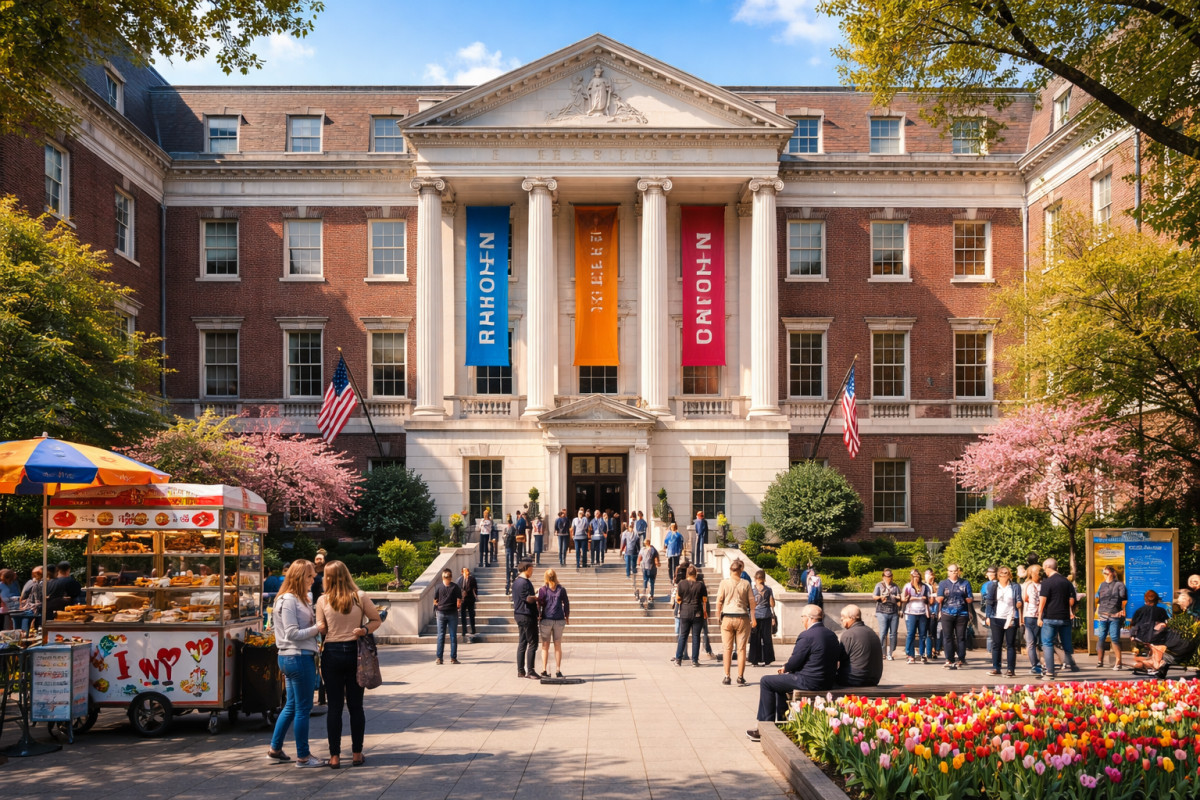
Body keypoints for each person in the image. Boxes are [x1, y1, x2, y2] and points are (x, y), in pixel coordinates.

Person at [315, 560, 382, 769]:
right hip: (355, 653)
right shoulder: (359, 596)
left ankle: (334, 756)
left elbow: (322, 629)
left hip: (332, 653)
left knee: (334, 707)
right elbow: (376, 619)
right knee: (356, 706)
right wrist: (364, 630)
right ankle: (357, 753)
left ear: (327, 578)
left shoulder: (322, 600)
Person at [746, 605, 841, 742]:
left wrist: (785, 667)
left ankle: (765, 726)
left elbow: (795, 661)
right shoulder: (831, 635)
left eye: (802, 617)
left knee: (766, 681)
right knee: (779, 683)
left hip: (808, 681)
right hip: (827, 681)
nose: (802, 620)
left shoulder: (806, 635)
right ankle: (783, 722)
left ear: (809, 618)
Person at [268, 560, 325, 767]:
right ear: (300, 577)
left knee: (292, 705)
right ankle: (303, 756)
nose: (313, 580)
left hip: (290, 657)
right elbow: (292, 633)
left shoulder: (293, 598)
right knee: (303, 708)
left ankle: (275, 749)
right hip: (297, 656)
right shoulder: (290, 600)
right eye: (310, 576)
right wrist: (317, 628)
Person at [1036, 557, 1080, 680]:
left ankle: (1050, 672)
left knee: (1047, 643)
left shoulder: (1047, 582)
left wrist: (1039, 617)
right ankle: (1071, 664)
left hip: (1050, 617)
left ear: (1047, 567)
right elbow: (1072, 601)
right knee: (1066, 643)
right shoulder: (1067, 582)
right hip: (1064, 617)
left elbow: (1042, 601)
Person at [716, 558, 755, 686]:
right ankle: (740, 677)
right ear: (741, 570)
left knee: (727, 648)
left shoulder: (724, 583)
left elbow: (719, 601)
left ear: (730, 570)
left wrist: (718, 617)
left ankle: (727, 676)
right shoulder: (746, 583)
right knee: (741, 649)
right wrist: (753, 618)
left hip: (727, 617)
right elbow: (752, 602)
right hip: (742, 617)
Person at [986, 566, 1022, 677]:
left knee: (1010, 644)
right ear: (998, 575)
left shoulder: (1015, 586)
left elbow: (1019, 599)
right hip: (996, 617)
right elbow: (989, 602)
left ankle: (1011, 669)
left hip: (1010, 617)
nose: (1003, 575)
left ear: (1009, 575)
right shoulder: (993, 586)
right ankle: (996, 668)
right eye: (1001, 573)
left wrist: (1019, 603)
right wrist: (988, 616)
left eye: (1005, 573)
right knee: (996, 644)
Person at [835, 604, 883, 687]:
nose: (841, 619)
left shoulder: (848, 634)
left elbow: (840, 658)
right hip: (874, 680)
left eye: (843, 617)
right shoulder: (872, 632)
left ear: (851, 618)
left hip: (853, 679)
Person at [937, 563, 973, 670]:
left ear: (958, 571)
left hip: (962, 613)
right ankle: (949, 659)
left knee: (961, 637)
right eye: (951, 571)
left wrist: (969, 600)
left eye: (955, 571)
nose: (953, 573)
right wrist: (939, 599)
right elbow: (939, 597)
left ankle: (961, 658)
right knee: (947, 636)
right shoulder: (943, 583)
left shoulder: (965, 582)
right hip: (947, 612)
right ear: (948, 572)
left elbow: (970, 597)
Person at [536, 568, 569, 678]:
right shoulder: (561, 589)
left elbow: (539, 604)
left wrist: (538, 615)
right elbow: (566, 603)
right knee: (557, 645)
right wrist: (567, 616)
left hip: (546, 619)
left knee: (545, 646)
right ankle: (558, 670)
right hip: (559, 619)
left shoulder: (543, 589)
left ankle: (544, 669)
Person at [1128, 589, 1170, 674]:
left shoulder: (1139, 610)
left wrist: (1132, 635)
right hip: (1156, 638)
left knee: (1140, 651)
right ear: (1156, 600)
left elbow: (1133, 623)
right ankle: (1152, 665)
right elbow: (1166, 624)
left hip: (1140, 637)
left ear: (1145, 600)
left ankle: (1142, 665)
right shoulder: (1161, 611)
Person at [1094, 565, 1128, 669]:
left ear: (1112, 573)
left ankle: (1118, 662)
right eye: (1104, 573)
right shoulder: (1102, 585)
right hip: (1103, 614)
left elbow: (1124, 599)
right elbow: (1097, 598)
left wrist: (1122, 610)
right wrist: (1097, 610)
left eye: (1106, 573)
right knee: (1101, 637)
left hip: (1114, 615)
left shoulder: (1119, 585)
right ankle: (1099, 661)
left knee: (1114, 638)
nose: (1105, 575)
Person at [674, 564, 707, 667]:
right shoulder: (700, 585)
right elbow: (704, 600)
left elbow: (678, 599)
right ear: (695, 574)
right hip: (697, 612)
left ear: (687, 574)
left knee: (683, 636)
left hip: (684, 612)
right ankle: (694, 660)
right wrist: (705, 612)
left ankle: (678, 659)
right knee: (696, 636)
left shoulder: (681, 584)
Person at [513, 561, 540, 680]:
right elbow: (527, 599)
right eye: (531, 569)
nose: (532, 571)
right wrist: (537, 597)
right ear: (527, 569)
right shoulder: (524, 582)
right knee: (533, 643)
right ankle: (530, 670)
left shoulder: (516, 582)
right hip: (527, 615)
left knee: (522, 642)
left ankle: (520, 670)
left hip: (519, 614)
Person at [901, 569, 933, 664]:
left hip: (922, 613)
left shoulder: (925, 587)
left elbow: (930, 600)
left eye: (917, 576)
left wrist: (926, 599)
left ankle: (922, 654)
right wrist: (908, 598)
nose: (916, 578)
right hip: (911, 613)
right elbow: (903, 598)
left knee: (923, 634)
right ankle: (910, 655)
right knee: (911, 634)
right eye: (914, 577)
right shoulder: (907, 586)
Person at [432, 568, 462, 665]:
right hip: (451, 612)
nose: (447, 579)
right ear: (451, 577)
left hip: (442, 612)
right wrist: (457, 607)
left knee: (441, 636)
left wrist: (437, 607)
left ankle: (439, 658)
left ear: (443, 577)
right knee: (452, 636)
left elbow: (435, 600)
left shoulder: (439, 587)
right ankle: (453, 658)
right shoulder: (455, 587)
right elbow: (459, 600)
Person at [872, 569, 902, 661]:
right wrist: (881, 597)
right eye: (886, 576)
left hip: (894, 612)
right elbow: (874, 596)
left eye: (890, 576)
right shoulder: (879, 585)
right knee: (883, 633)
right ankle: (882, 653)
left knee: (893, 634)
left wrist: (896, 598)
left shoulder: (895, 586)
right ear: (883, 577)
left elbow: (900, 599)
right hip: (882, 612)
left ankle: (890, 653)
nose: (888, 578)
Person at [749, 569, 776, 666]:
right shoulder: (767, 589)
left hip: (757, 616)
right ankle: (766, 659)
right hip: (764, 615)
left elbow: (750, 605)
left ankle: (755, 660)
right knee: (765, 638)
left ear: (755, 579)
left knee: (756, 638)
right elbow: (772, 604)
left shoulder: (753, 590)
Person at [1021, 564, 1043, 675]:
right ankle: (1038, 664)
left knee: (1033, 643)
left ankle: (1036, 664)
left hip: (1033, 615)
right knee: (1035, 642)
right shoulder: (1040, 585)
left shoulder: (1027, 585)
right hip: (1035, 616)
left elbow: (1025, 599)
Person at [696, 569, 717, 660]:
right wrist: (707, 614)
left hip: (696, 612)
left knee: (698, 633)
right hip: (703, 613)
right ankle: (708, 650)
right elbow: (706, 602)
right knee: (705, 632)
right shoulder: (703, 588)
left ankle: (702, 651)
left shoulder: (695, 587)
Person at [979, 565, 997, 661]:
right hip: (992, 609)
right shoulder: (989, 584)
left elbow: (984, 596)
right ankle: (991, 651)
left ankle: (990, 651)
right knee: (992, 633)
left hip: (990, 608)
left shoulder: (986, 585)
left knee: (991, 633)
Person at [923, 568, 940, 660]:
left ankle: (934, 651)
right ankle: (929, 652)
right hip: (926, 612)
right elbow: (930, 601)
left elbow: (937, 600)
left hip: (934, 613)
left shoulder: (936, 586)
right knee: (927, 633)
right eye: (928, 575)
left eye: (931, 575)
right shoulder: (924, 586)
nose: (930, 577)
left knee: (932, 633)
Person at [458, 566, 478, 638]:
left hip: (470, 599)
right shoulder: (460, 580)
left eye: (467, 571)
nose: (467, 572)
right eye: (465, 571)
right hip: (463, 600)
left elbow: (475, 588)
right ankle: (464, 630)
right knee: (463, 615)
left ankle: (473, 629)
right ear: (462, 572)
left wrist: (469, 593)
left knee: (471, 614)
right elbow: (458, 588)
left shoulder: (472, 579)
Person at [638, 536, 660, 602]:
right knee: (649, 581)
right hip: (649, 567)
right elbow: (656, 557)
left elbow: (640, 557)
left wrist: (638, 563)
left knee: (647, 580)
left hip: (648, 567)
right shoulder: (650, 549)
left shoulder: (647, 549)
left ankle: (647, 593)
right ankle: (649, 594)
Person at [503, 514, 518, 594]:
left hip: (510, 549)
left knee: (509, 568)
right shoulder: (511, 529)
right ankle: (508, 586)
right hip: (510, 549)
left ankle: (509, 586)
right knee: (509, 568)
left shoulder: (511, 529)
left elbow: (509, 539)